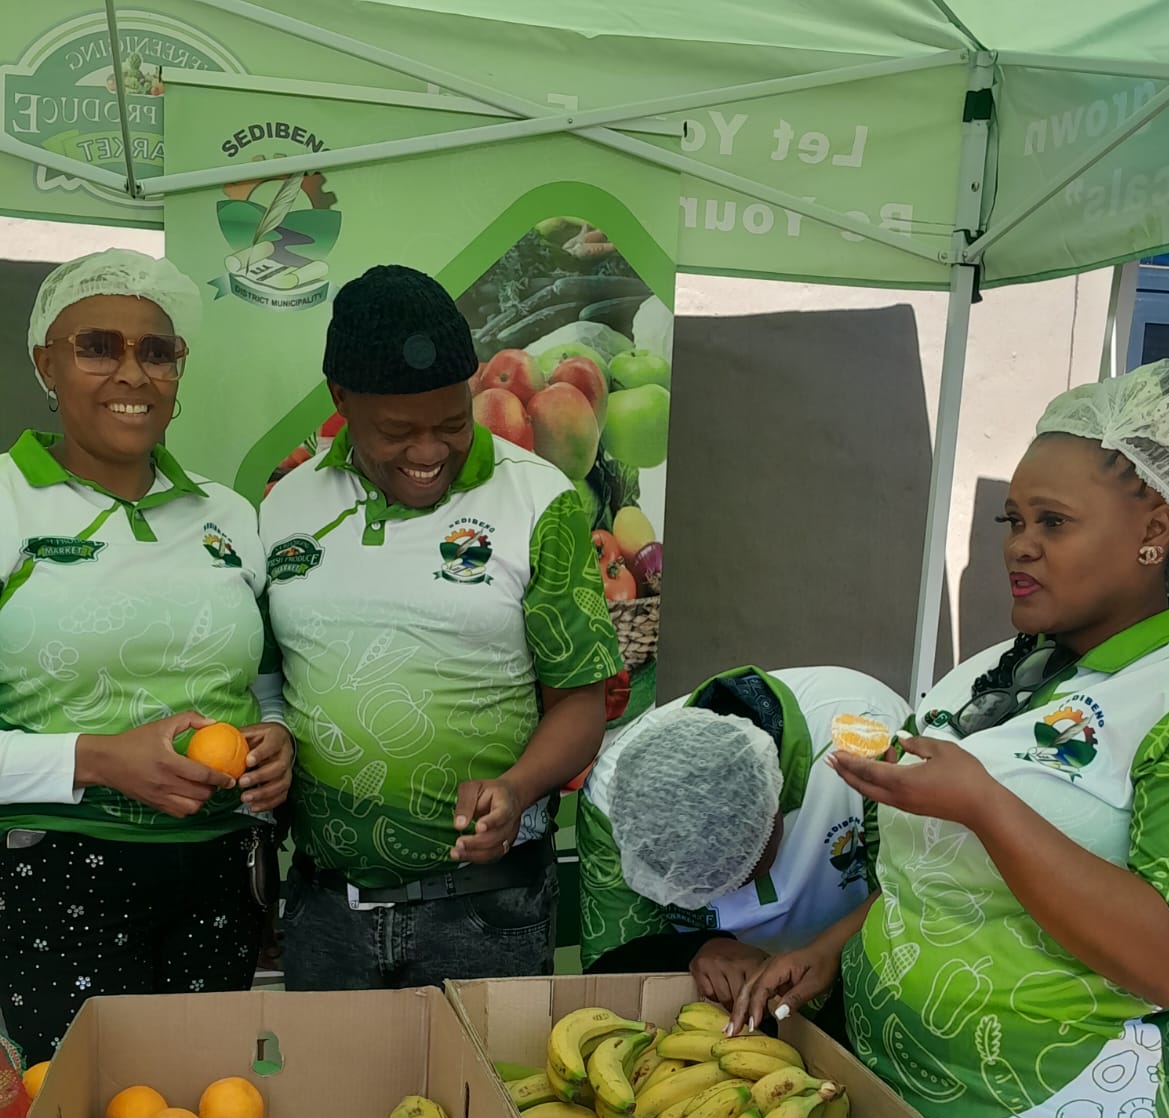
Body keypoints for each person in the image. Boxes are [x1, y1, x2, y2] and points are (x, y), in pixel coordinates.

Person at [732, 359, 1169, 1118]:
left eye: (1052, 520)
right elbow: (945, 874)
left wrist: (986, 801)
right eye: (1009, 517)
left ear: (1157, 533)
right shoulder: (1005, 671)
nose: (1018, 544)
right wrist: (838, 946)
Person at [261, 264, 621, 989]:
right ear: (341, 399)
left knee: (484, 1101)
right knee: (330, 1106)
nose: (428, 453)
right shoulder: (285, 504)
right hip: (327, 911)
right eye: (397, 431)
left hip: (487, 914)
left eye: (452, 422)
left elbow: (581, 702)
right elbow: (269, 676)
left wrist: (518, 786)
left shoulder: (540, 501)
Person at [0, 250, 293, 1062]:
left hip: (219, 874)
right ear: (45, 364)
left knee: (207, 1116)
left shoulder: (227, 513)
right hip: (55, 878)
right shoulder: (6, 503)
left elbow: (266, 685)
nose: (133, 371)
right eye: (97, 346)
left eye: (157, 351)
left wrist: (277, 739)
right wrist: (98, 759)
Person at [578, 664, 910, 1008]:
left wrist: (828, 950)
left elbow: (919, 895)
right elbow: (611, 973)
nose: (729, 894)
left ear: (774, 804)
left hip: (862, 985)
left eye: (739, 871)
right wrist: (696, 947)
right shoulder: (613, 798)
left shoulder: (873, 742)